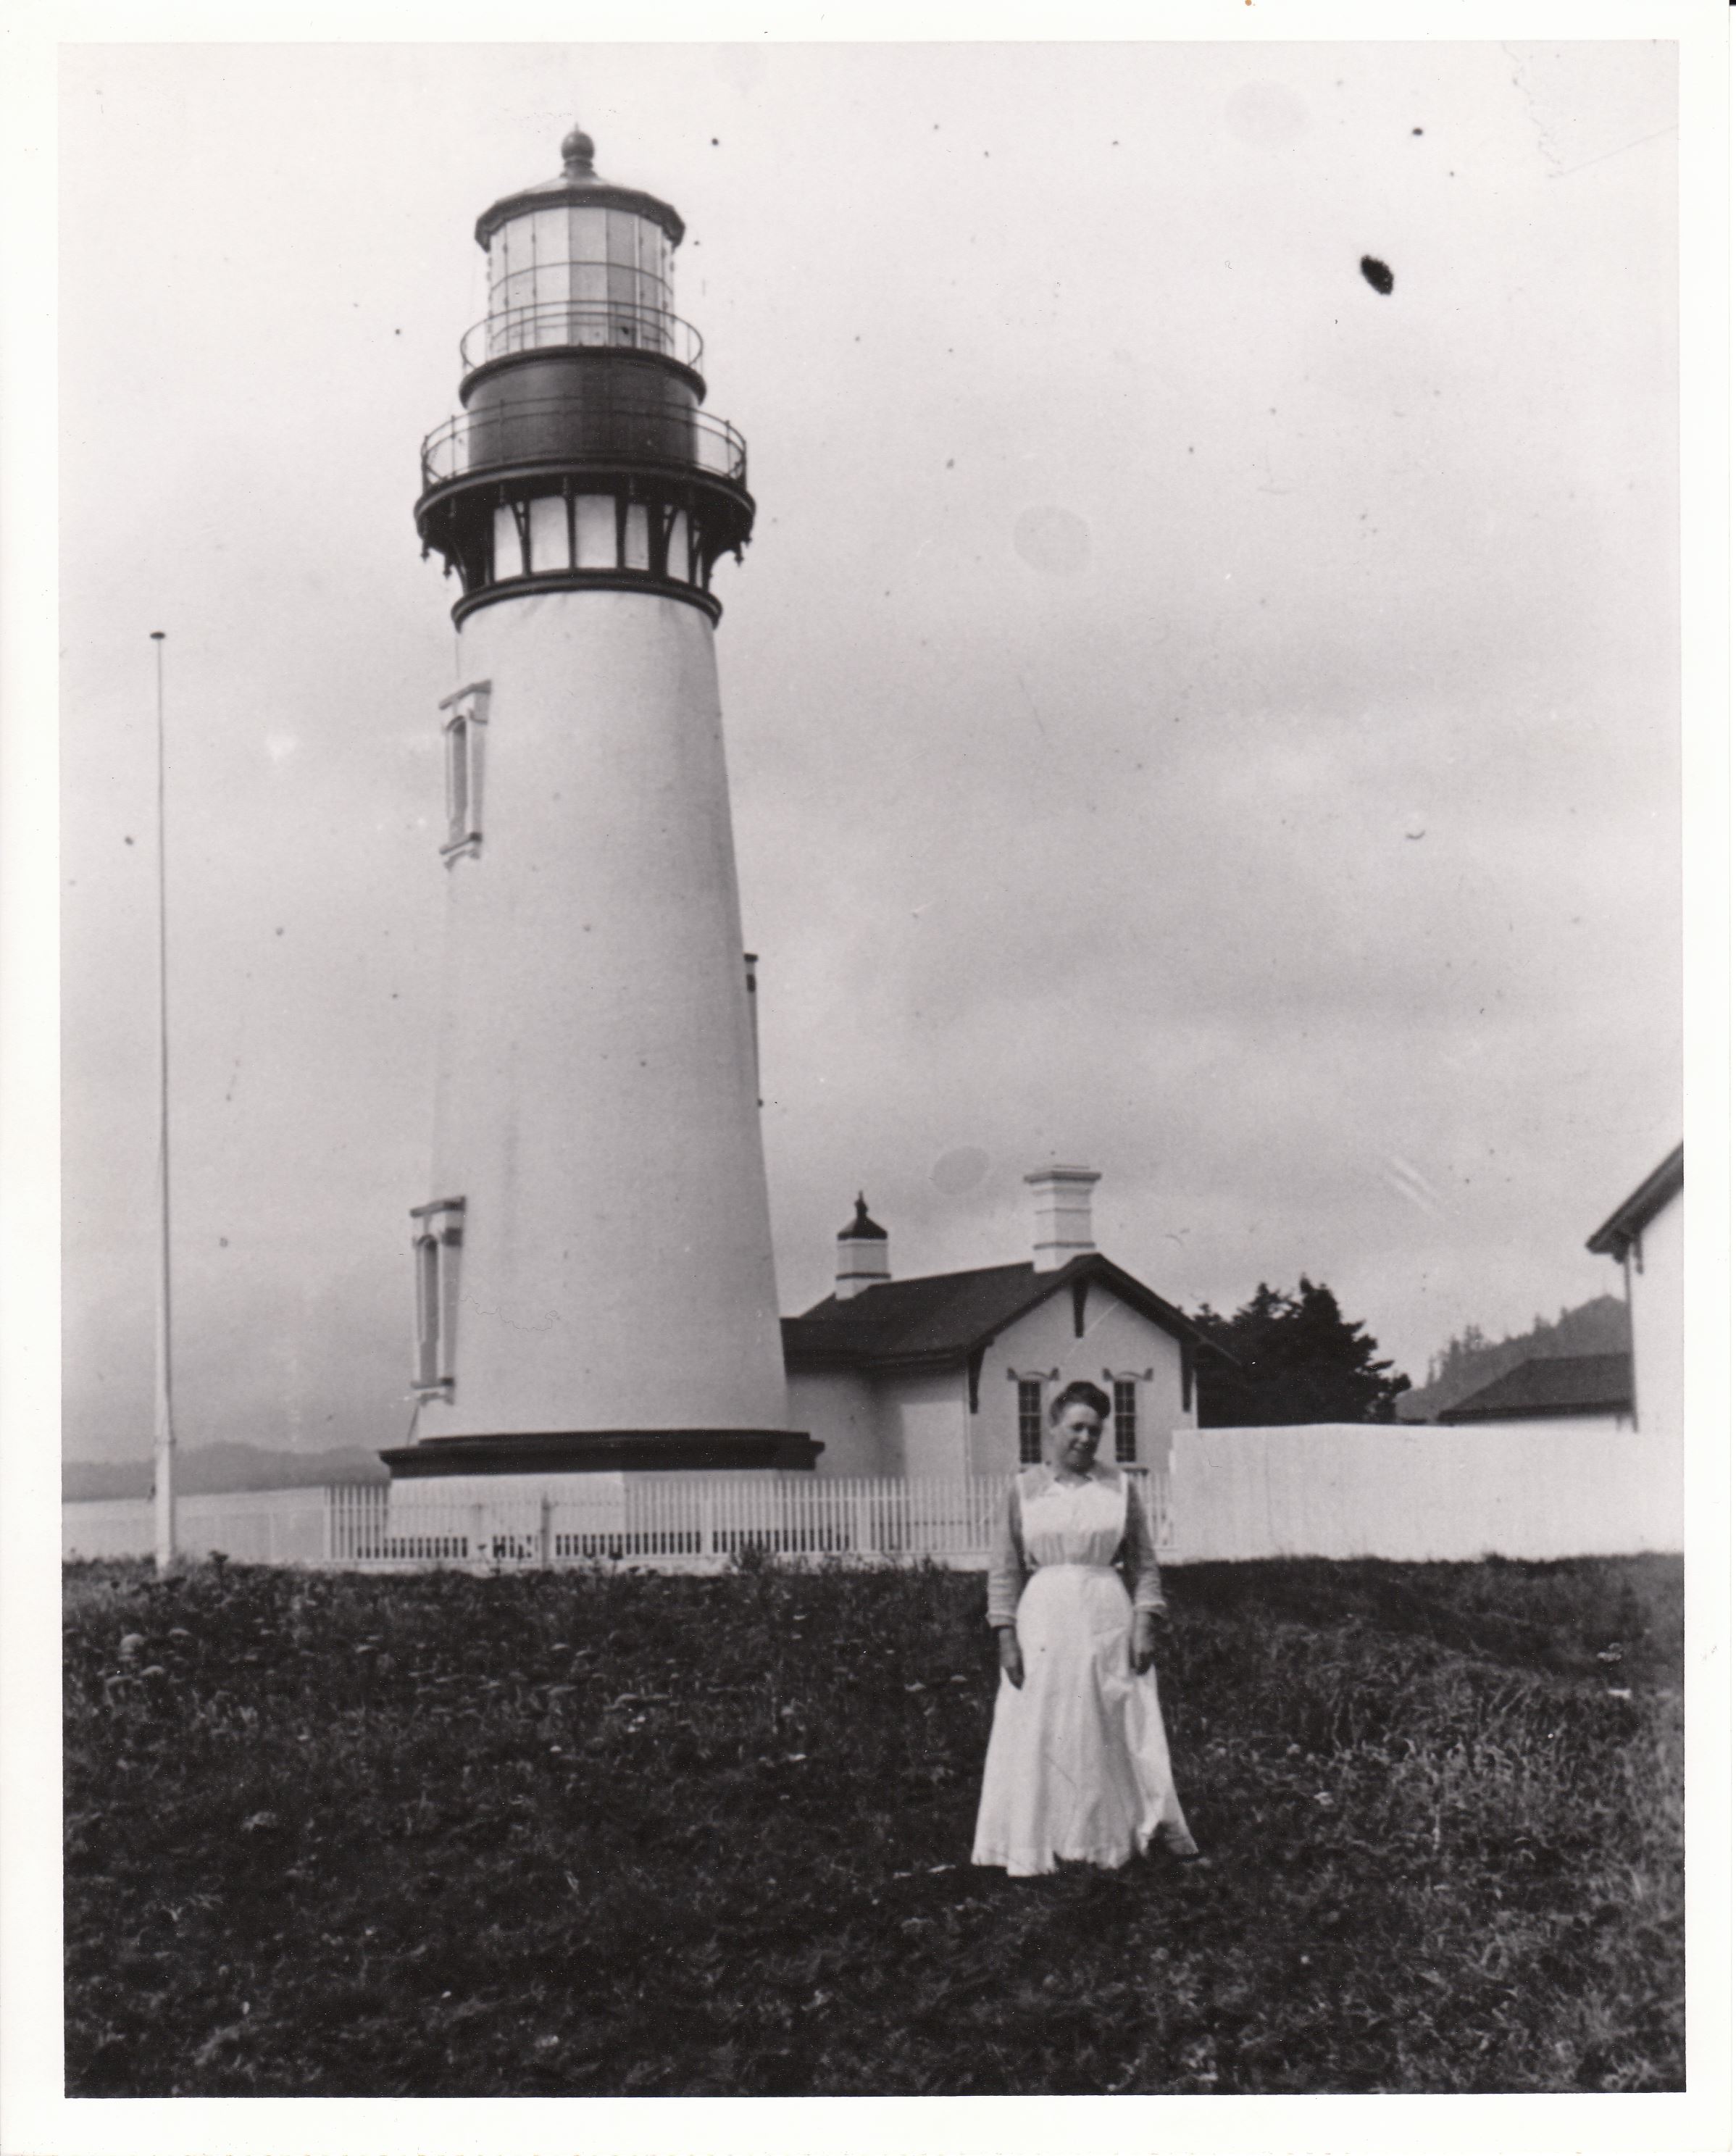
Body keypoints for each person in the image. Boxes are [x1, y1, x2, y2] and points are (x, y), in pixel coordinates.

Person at [972, 1379, 1201, 1877]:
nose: (1085, 1439)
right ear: (1052, 1429)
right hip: (1044, 1623)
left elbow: (1143, 1564)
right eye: (1076, 1427)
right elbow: (1004, 1570)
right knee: (1043, 1727)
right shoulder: (1024, 1490)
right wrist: (1005, 1635)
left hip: (1105, 1619)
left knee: (1109, 1725)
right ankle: (1039, 1844)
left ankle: (1108, 1841)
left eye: (1094, 1431)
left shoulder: (1119, 1489)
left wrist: (1146, 1622)